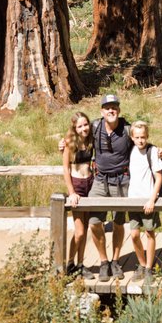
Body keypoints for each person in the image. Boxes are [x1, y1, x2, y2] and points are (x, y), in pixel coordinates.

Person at [86, 94, 134, 282]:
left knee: (118, 222)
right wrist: (64, 144)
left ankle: (115, 260)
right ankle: (103, 261)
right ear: (101, 111)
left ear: (119, 110)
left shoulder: (127, 130)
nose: (111, 110)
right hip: (99, 180)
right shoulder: (95, 127)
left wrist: (158, 150)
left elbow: (142, 141)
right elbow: (77, 139)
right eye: (107, 107)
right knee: (94, 221)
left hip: (121, 181)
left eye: (114, 107)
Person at [127, 120, 162, 286]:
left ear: (147, 137)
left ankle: (149, 267)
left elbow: (159, 177)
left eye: (143, 137)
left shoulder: (152, 151)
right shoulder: (131, 150)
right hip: (133, 199)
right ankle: (141, 264)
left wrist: (152, 199)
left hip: (148, 199)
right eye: (137, 137)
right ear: (132, 138)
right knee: (134, 234)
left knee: (149, 233)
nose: (140, 140)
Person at [62, 110, 94, 276]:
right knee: (79, 231)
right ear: (74, 128)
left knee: (86, 227)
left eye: (85, 124)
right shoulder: (69, 142)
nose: (84, 128)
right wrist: (71, 192)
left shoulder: (90, 139)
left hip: (90, 183)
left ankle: (81, 264)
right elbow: (66, 169)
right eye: (80, 126)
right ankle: (70, 263)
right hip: (77, 185)